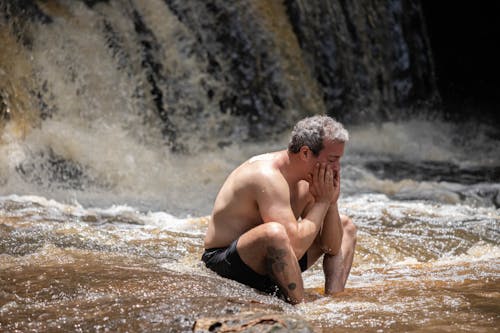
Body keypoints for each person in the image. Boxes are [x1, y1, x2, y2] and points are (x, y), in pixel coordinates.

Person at [202, 115, 357, 304]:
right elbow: (294, 247)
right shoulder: (266, 175)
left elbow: (332, 246)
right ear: (306, 153)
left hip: (278, 263)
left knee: (346, 226)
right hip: (229, 263)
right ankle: (301, 309)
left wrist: (331, 202)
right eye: (332, 160)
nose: (337, 168)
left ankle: (334, 300)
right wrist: (322, 202)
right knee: (274, 233)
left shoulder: (311, 178)